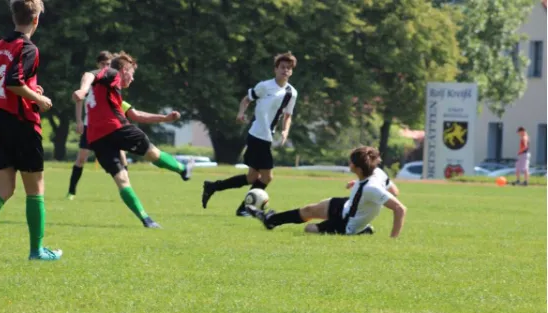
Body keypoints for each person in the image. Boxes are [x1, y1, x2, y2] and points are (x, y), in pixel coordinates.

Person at [0, 0, 62, 261]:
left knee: (4, 187)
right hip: (22, 123)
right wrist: (38, 100)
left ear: (13, 16)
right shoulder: (28, 48)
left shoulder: (0, 45)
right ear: (36, 19)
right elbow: (14, 82)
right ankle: (36, 252)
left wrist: (29, 89)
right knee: (35, 189)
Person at [71, 51, 194, 228]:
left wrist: (164, 118)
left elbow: (136, 115)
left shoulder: (108, 91)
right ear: (123, 69)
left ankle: (146, 220)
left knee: (122, 180)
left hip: (97, 138)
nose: (133, 79)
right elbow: (89, 74)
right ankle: (182, 169)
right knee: (153, 154)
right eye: (132, 73)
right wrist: (82, 90)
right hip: (117, 129)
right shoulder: (112, 74)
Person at [202, 52, 298, 216]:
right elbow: (247, 99)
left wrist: (285, 130)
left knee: (252, 177)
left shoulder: (292, 93)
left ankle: (213, 186)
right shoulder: (264, 86)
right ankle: (245, 209)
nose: (285, 70)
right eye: (282, 67)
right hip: (258, 136)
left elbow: (288, 115)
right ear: (275, 69)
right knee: (267, 177)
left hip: (266, 137)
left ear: (291, 72)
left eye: (289, 68)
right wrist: (240, 113)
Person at [246, 146, 407, 238]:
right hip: (348, 206)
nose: (348, 163)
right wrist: (358, 185)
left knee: (309, 229)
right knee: (310, 210)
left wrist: (393, 240)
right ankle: (271, 220)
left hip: (347, 224)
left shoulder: (371, 188)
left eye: (351, 162)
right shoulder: (376, 173)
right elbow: (395, 191)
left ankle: (361, 231)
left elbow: (400, 209)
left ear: (357, 168)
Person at [67, 50, 117, 200]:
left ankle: (123, 188)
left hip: (107, 126)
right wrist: (80, 121)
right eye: (103, 64)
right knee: (81, 158)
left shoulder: (111, 81)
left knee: (120, 156)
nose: (105, 67)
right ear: (98, 64)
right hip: (90, 126)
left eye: (108, 64)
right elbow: (79, 99)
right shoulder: (91, 79)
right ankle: (71, 191)